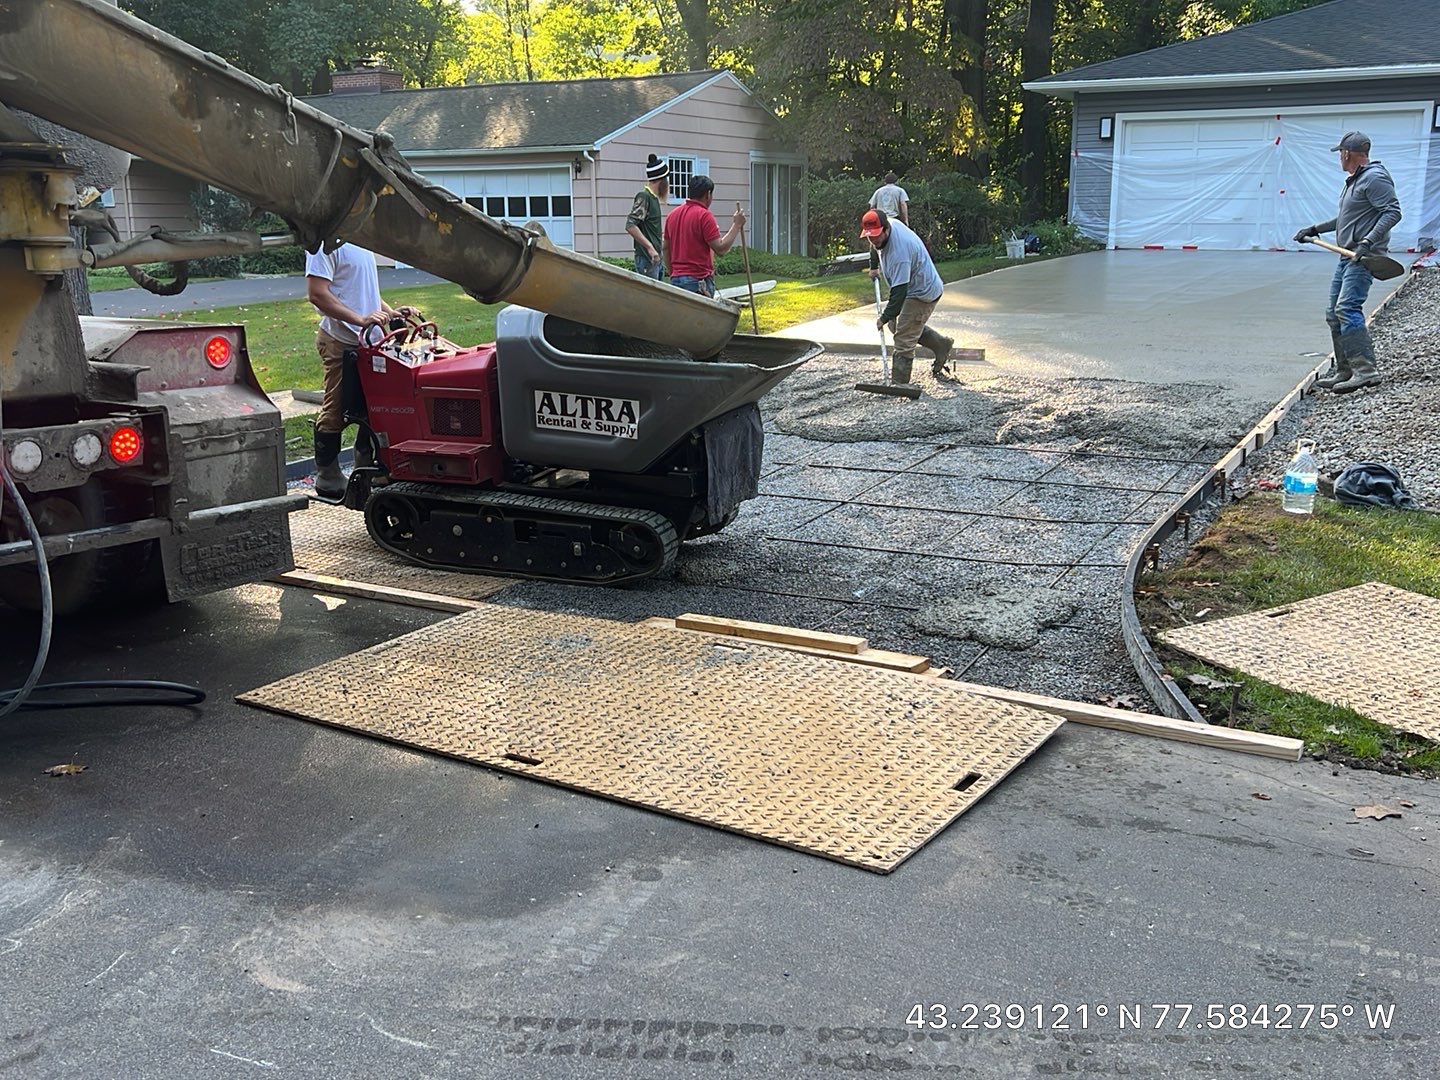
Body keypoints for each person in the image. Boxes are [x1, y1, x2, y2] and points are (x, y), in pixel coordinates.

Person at [304, 243, 417, 498]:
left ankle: (367, 468)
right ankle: (327, 477)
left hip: (367, 339)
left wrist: (391, 312)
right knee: (338, 408)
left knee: (374, 407)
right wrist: (360, 319)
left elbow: (363, 292)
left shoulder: (360, 241)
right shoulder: (324, 244)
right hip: (340, 340)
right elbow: (317, 294)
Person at [1293, 131, 1401, 394]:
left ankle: (1366, 371)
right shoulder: (1355, 181)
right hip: (1347, 255)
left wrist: (1367, 242)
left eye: (1340, 153)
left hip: (1363, 257)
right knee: (1334, 313)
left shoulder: (1375, 178)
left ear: (1347, 153)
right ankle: (1345, 370)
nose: (1339, 158)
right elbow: (1345, 219)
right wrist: (1315, 229)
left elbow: (1393, 212)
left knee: (1347, 308)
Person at [862, 208, 952, 385]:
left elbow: (899, 293)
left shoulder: (899, 253)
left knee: (903, 338)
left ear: (886, 229)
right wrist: (874, 266)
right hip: (910, 288)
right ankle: (940, 345)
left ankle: (899, 383)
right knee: (898, 326)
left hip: (922, 292)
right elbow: (875, 245)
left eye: (877, 236)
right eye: (869, 236)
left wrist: (884, 317)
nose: (873, 239)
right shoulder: (882, 230)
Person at [663, 174, 746, 297]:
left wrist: (673, 273)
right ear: (708, 194)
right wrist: (737, 225)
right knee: (701, 316)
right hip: (697, 281)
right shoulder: (704, 216)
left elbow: (665, 248)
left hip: (677, 280)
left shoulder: (672, 215)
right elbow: (721, 249)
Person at [626, 154, 669, 280]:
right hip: (647, 260)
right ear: (661, 180)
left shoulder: (653, 199)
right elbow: (630, 225)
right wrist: (650, 248)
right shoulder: (644, 197)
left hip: (655, 260)